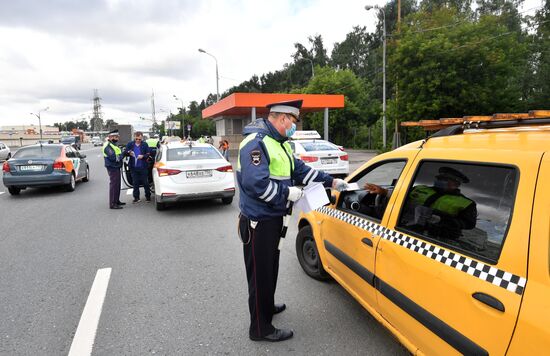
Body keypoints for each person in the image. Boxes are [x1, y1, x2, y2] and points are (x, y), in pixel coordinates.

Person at [237, 99, 348, 342]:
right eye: (293, 121)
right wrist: (287, 193)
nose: (294, 126)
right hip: (259, 222)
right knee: (260, 273)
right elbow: (255, 185)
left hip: (274, 218)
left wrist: (331, 181)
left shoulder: (282, 144)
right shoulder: (256, 143)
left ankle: (266, 307)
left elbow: (299, 170)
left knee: (271, 267)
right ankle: (260, 328)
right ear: (282, 118)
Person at [365, 166, 476, 239]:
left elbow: (469, 225)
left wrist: (441, 219)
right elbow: (401, 197)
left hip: (435, 238)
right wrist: (383, 191)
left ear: (456, 184)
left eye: (445, 179)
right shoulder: (420, 188)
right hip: (404, 229)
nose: (440, 181)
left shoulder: (466, 203)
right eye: (439, 178)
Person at [125, 131, 151, 203]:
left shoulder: (145, 144)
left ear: (142, 138)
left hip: (143, 167)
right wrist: (129, 152)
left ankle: (148, 196)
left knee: (145, 182)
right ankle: (136, 197)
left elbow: (148, 153)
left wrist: (143, 156)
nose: (138, 140)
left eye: (139, 139)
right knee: (135, 183)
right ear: (134, 138)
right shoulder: (130, 144)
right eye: (136, 139)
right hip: (133, 167)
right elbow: (125, 152)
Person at [103, 130, 125, 209]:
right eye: (115, 137)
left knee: (117, 184)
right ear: (110, 137)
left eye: (117, 137)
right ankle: (112, 203)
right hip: (112, 167)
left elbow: (118, 154)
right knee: (114, 185)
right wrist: (123, 154)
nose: (117, 138)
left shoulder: (114, 144)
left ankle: (116, 200)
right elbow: (114, 158)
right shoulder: (107, 145)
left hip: (116, 167)